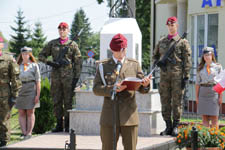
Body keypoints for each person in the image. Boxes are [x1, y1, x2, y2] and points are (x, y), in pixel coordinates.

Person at [93, 33, 151, 150]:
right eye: (117, 51)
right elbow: (96, 89)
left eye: (123, 50)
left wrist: (145, 85)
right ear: (112, 50)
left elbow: (142, 88)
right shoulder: (103, 66)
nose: (120, 54)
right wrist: (112, 89)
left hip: (129, 117)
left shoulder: (134, 65)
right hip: (109, 116)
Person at [38, 22, 82, 132]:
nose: (62, 31)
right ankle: (58, 124)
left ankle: (67, 124)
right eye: (60, 29)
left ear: (68, 30)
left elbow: (78, 62)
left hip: (68, 78)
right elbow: (41, 55)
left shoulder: (73, 45)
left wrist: (76, 78)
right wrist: (50, 63)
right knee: (56, 100)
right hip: (56, 76)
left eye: (64, 29)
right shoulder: (52, 44)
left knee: (68, 101)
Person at [153, 16, 192, 136]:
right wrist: (158, 62)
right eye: (169, 25)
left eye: (173, 24)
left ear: (177, 26)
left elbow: (187, 60)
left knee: (177, 102)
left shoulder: (182, 42)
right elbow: (154, 56)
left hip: (177, 76)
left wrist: (186, 76)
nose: (171, 27)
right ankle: (167, 126)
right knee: (165, 101)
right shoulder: (161, 41)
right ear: (167, 26)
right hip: (164, 77)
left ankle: (175, 126)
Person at [0, 37, 22, 146]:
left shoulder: (8, 59)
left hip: (4, 92)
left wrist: (15, 94)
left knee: (4, 118)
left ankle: (4, 141)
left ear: (2, 45)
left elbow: (15, 78)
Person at [15, 47, 41, 139]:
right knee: (21, 112)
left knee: (30, 111)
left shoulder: (34, 65)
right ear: (21, 55)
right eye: (23, 54)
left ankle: (29, 133)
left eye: (26, 54)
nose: (25, 56)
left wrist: (38, 95)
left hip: (31, 89)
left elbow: (38, 81)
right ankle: (24, 133)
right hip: (20, 90)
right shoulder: (17, 65)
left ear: (30, 55)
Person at [196, 47, 222, 128]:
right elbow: (197, 84)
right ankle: (206, 138)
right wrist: (197, 97)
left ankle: (214, 138)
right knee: (204, 118)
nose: (207, 57)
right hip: (203, 93)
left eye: (208, 55)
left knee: (214, 117)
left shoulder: (218, 67)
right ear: (203, 57)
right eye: (205, 55)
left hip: (214, 92)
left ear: (212, 55)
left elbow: (221, 83)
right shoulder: (200, 68)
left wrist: (220, 97)